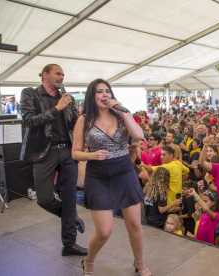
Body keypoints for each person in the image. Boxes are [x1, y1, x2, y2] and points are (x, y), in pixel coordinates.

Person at [71, 79, 150, 275]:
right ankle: (89, 261)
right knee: (104, 231)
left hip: (124, 171)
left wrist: (123, 111)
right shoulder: (84, 119)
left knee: (134, 224)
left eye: (108, 91)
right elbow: (75, 153)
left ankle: (139, 262)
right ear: (92, 95)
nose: (105, 95)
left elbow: (139, 134)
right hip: (98, 175)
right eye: (100, 91)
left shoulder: (122, 114)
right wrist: (91, 155)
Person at [20, 64, 86, 257]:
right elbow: (29, 121)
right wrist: (57, 108)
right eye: (58, 74)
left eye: (63, 74)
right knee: (44, 199)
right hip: (44, 152)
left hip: (67, 150)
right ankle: (70, 217)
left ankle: (69, 244)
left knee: (69, 198)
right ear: (45, 75)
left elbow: (74, 123)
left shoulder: (68, 99)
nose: (62, 77)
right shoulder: (30, 94)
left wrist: (80, 120)